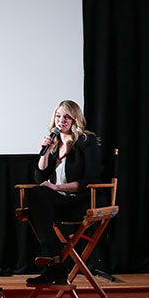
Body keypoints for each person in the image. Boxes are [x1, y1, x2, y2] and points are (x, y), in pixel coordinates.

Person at [26, 100, 104, 285]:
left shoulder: (86, 140)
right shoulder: (54, 143)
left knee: (39, 200)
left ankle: (53, 261)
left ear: (75, 119)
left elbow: (91, 180)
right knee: (37, 195)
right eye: (58, 116)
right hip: (58, 202)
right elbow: (40, 178)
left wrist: (57, 187)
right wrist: (44, 153)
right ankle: (55, 261)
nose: (61, 120)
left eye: (67, 117)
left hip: (80, 201)